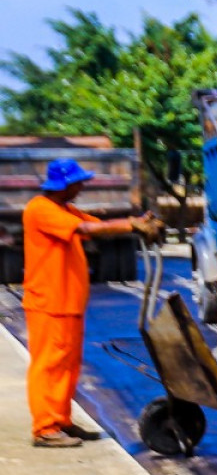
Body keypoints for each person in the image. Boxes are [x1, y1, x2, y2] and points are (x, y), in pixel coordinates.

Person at [20, 158, 161, 447]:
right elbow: (85, 230)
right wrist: (130, 224)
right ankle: (45, 428)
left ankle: (61, 420)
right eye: (79, 182)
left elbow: (96, 225)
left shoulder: (65, 209)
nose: (82, 187)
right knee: (49, 365)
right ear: (65, 184)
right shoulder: (40, 209)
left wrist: (135, 225)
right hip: (49, 303)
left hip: (67, 303)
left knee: (68, 366)